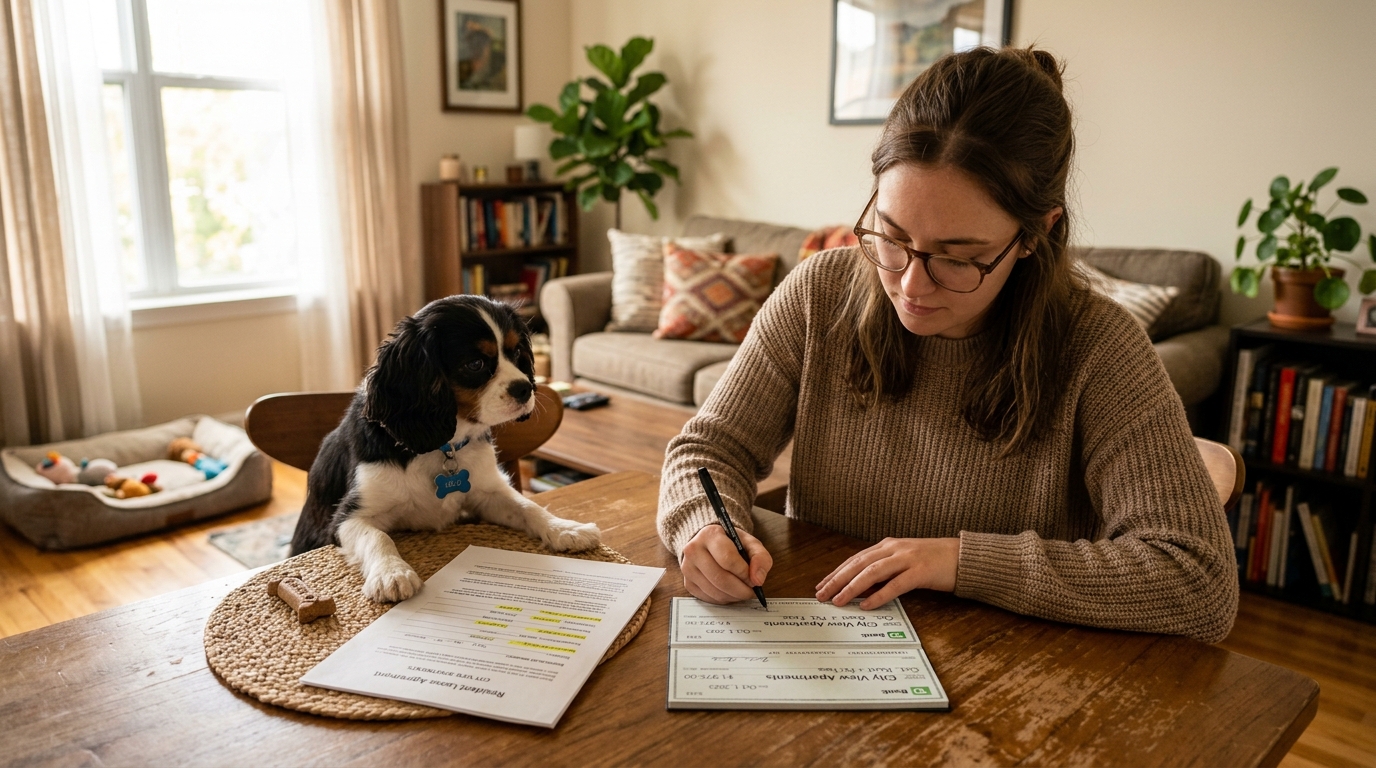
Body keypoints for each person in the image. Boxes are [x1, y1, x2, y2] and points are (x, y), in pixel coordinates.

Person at [656, 46, 1239, 644]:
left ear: (1039, 233)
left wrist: (958, 562)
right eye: (892, 235)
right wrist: (702, 524)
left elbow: (1198, 582)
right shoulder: (818, 293)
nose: (909, 285)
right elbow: (708, 449)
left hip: (1012, 679)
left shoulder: (1099, 346)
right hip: (827, 650)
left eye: (959, 257)